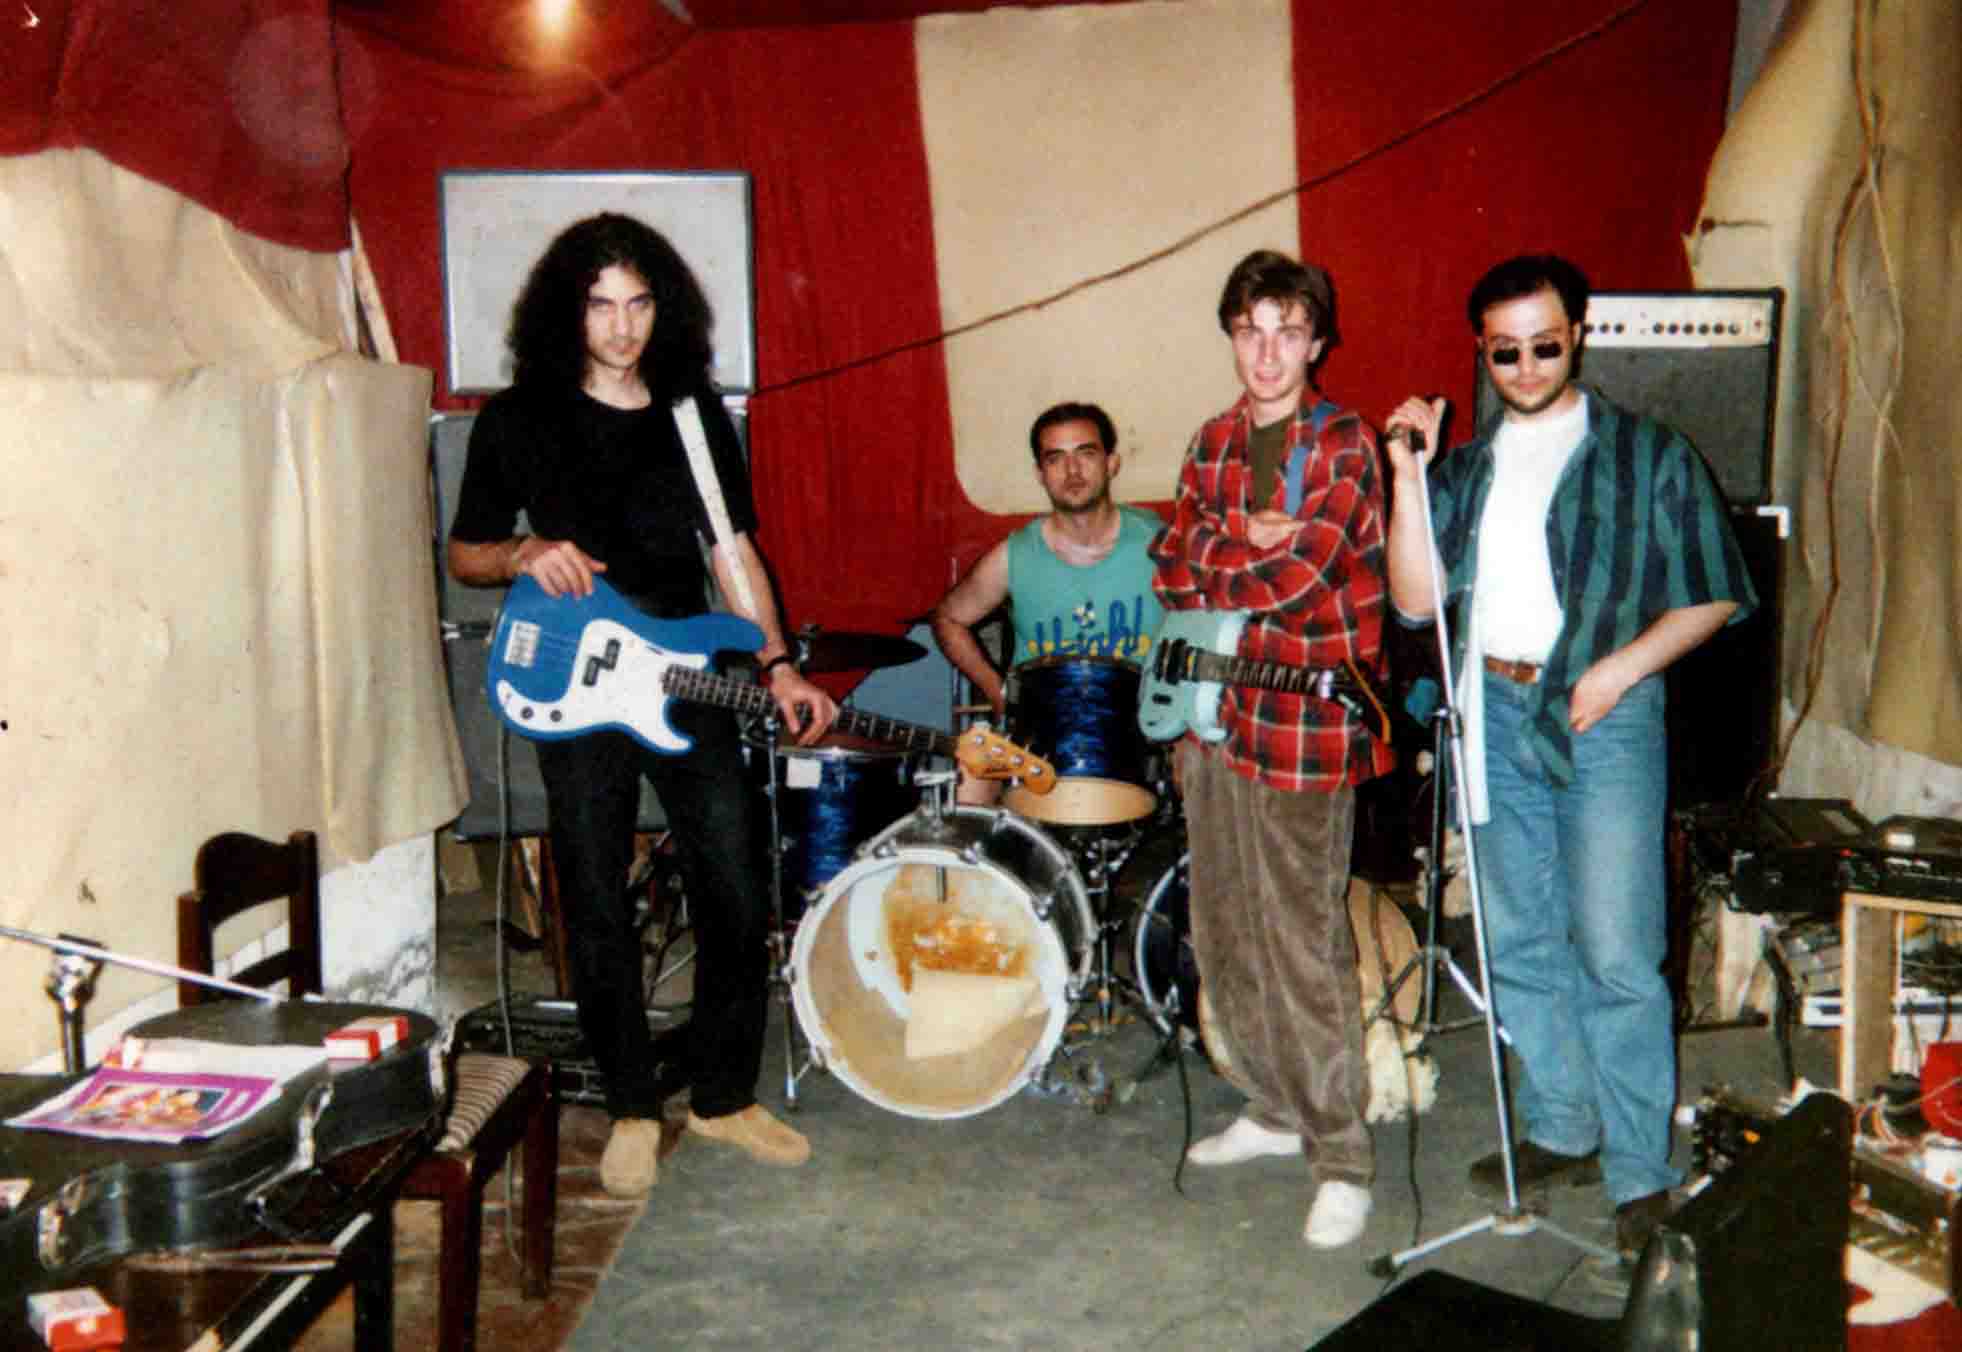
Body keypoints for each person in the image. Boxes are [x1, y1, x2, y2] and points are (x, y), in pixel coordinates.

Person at [447, 213, 838, 1198]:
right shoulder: (516, 419)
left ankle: (721, 1096)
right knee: (593, 890)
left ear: (665, 309)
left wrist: (778, 663)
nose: (622, 327)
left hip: (684, 669)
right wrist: (523, 551)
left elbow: (731, 552)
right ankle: (629, 1105)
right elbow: (465, 553)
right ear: (566, 311)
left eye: (639, 304)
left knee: (737, 877)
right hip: (577, 677)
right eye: (601, 306)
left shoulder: (694, 415)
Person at [1383, 254, 1756, 1262]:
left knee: (1617, 950)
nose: (1526, 367)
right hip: (1493, 712)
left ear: (1579, 334)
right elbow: (1415, 601)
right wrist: (1408, 474)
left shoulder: (1650, 453)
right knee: (1515, 937)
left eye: (1544, 345)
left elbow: (1716, 592)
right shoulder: (1466, 470)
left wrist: (1619, 669)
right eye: (1504, 352)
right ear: (1482, 351)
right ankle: (1565, 1120)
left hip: (1607, 711)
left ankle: (1640, 1171)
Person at [1148, 249, 1394, 1250]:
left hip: (1304, 724)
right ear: (1231, 334)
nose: (1267, 352)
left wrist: (1230, 552)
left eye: (1287, 332)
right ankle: (1273, 1104)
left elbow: (1300, 581)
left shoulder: (1344, 443)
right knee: (1225, 928)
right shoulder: (1211, 439)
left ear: (1317, 342)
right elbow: (1168, 563)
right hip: (1212, 716)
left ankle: (1342, 1155)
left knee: (1302, 938)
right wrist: (1243, 540)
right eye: (1250, 330)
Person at [930, 401, 1165, 804]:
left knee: (1201, 772)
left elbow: (1206, 620)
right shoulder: (1014, 555)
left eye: (1085, 454)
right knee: (968, 783)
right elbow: (948, 618)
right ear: (1040, 474)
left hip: (1140, 732)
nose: (1072, 471)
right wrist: (997, 691)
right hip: (1035, 739)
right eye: (1055, 459)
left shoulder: (1159, 544)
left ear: (1111, 463)